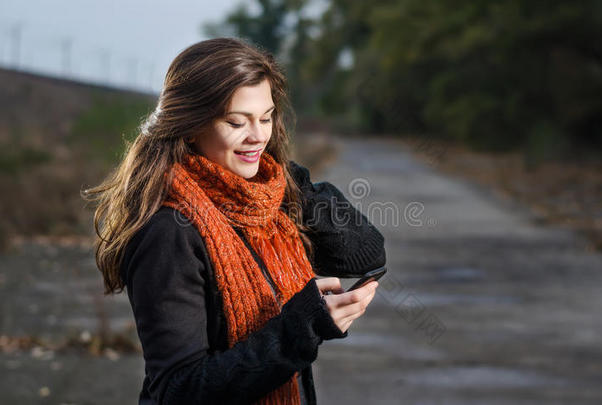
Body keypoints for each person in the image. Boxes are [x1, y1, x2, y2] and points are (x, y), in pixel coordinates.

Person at [82, 37, 386, 405]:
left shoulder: (266, 198)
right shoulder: (169, 231)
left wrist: (290, 181)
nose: (257, 136)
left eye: (266, 117)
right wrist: (301, 328)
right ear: (191, 126)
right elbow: (179, 391)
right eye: (236, 122)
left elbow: (367, 255)